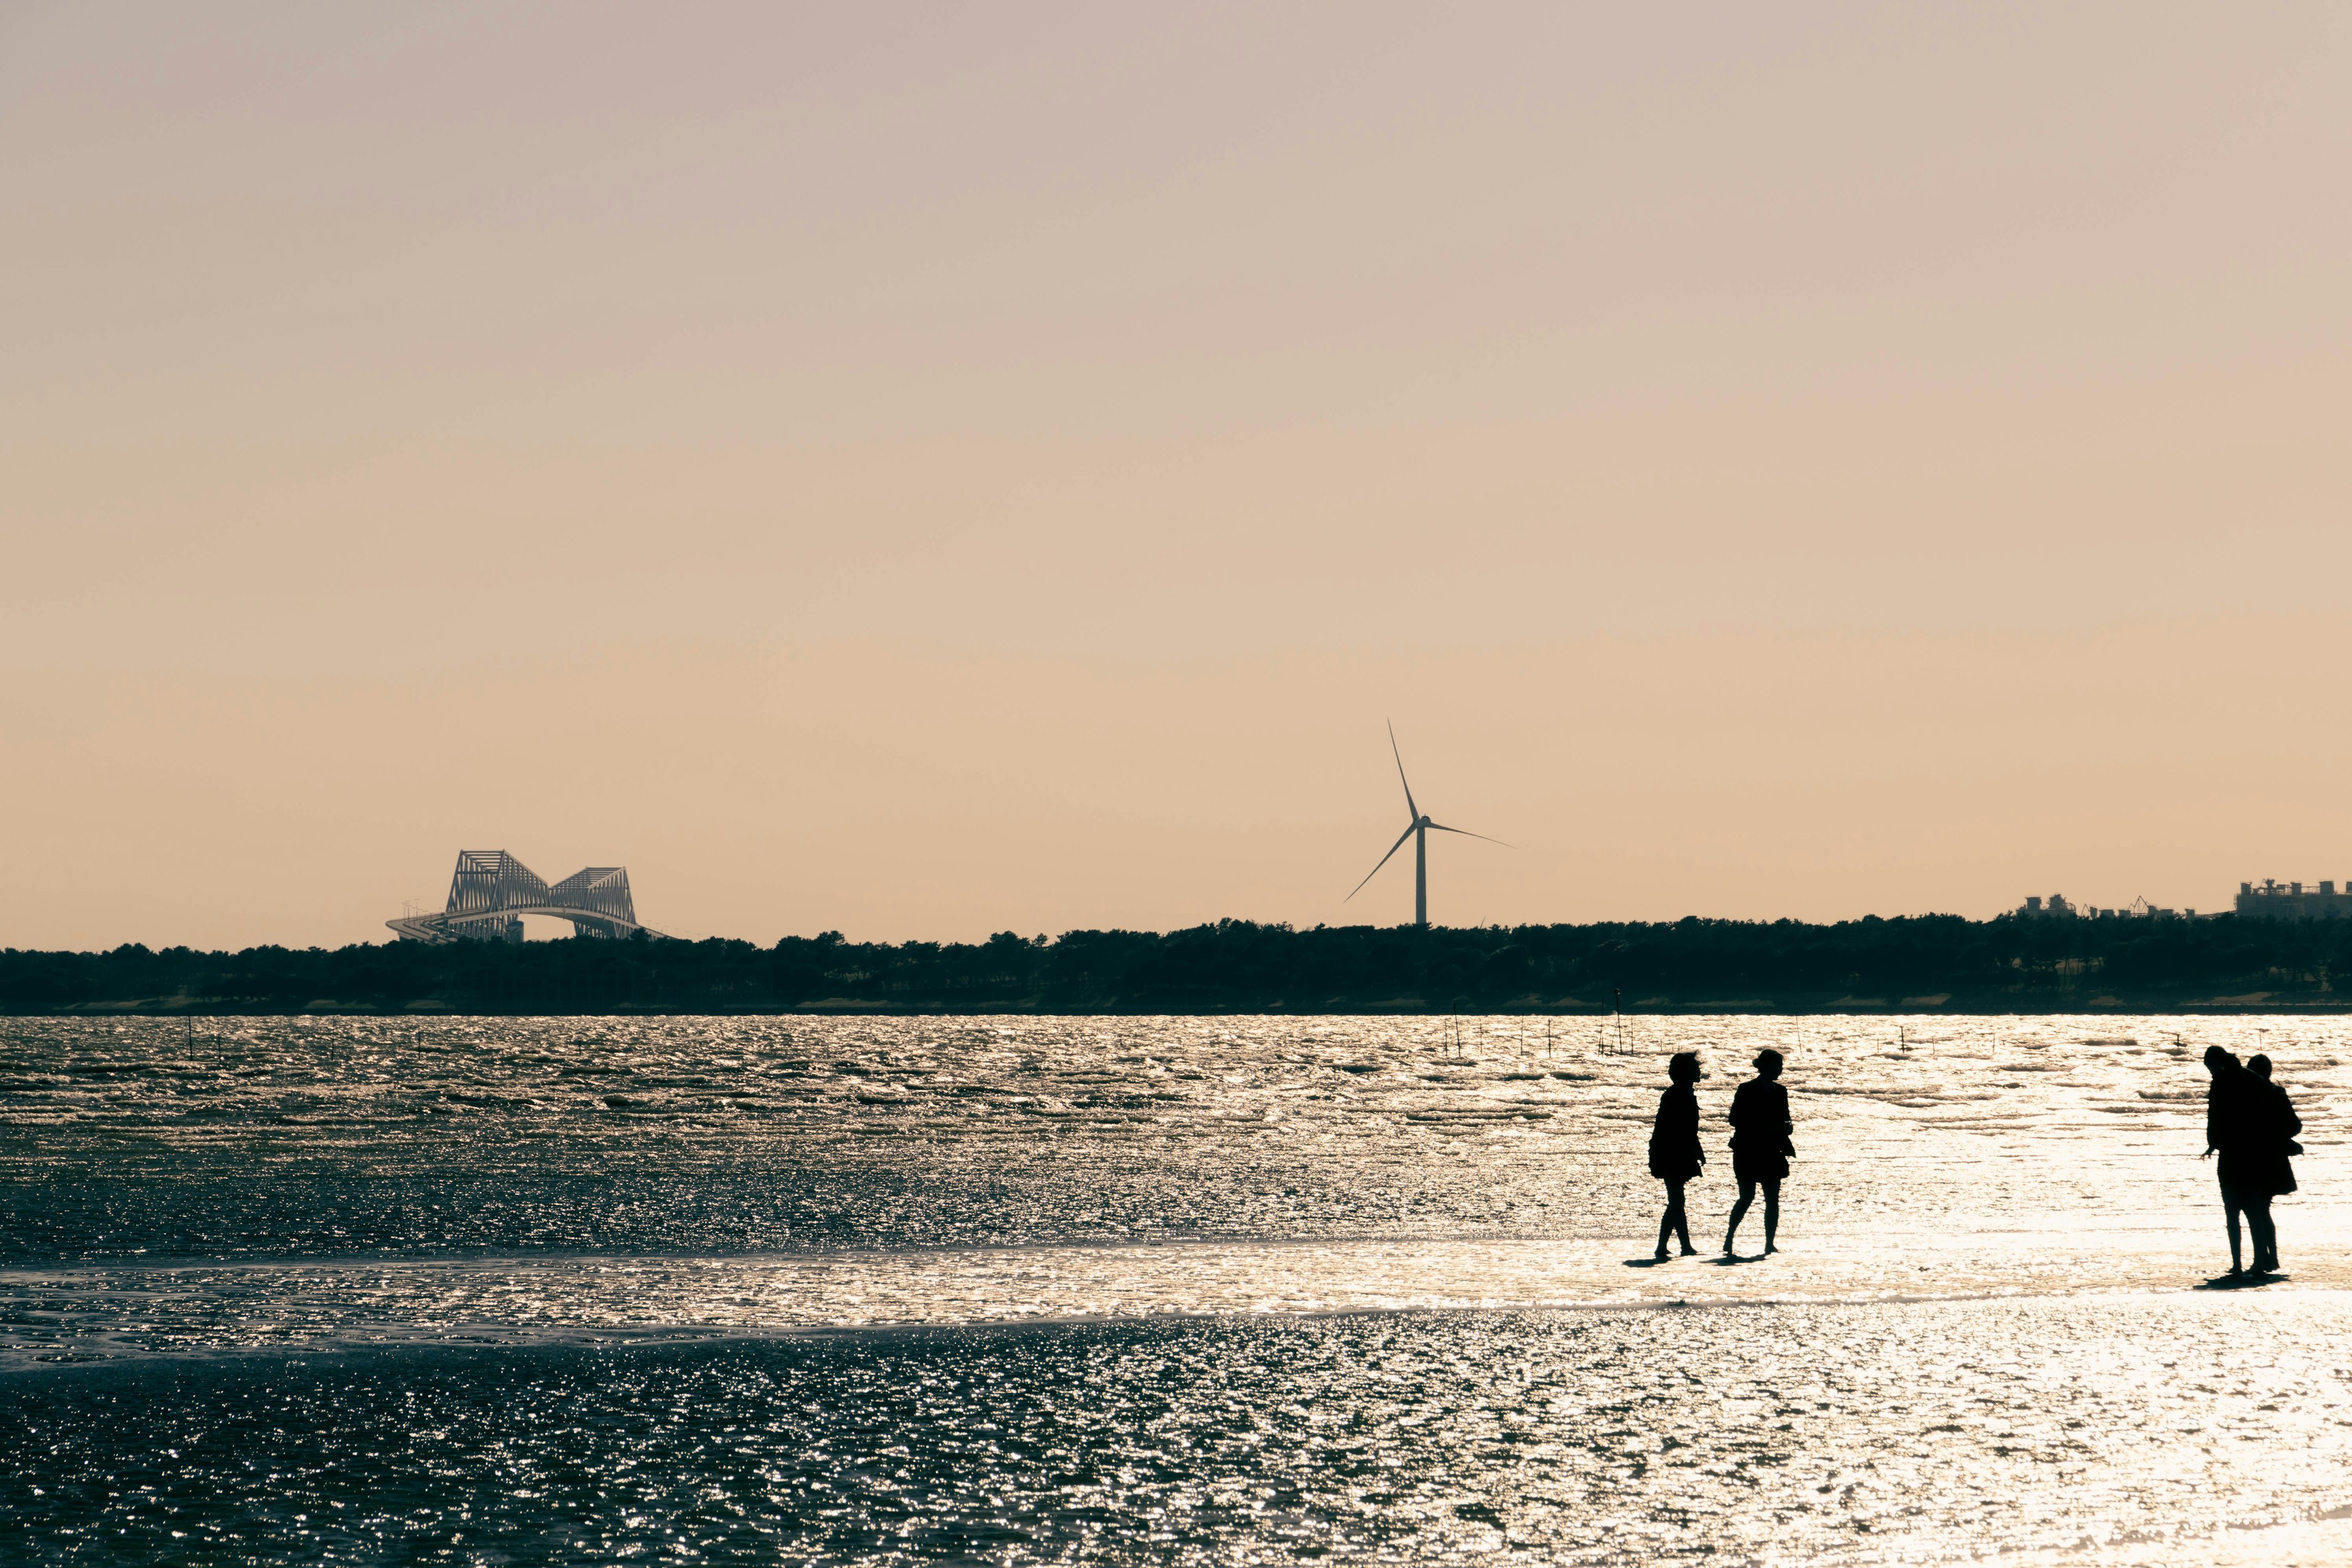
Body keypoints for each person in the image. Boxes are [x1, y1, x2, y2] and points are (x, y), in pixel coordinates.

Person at [2203, 1045, 2273, 1276]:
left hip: (2232, 1154)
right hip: (2254, 1152)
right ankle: (2259, 1262)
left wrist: (2213, 1143)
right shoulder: (2250, 1077)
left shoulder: (2221, 1081)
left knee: (2232, 1212)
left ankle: (2237, 1264)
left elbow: (2215, 1116)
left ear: (2214, 1064)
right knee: (2253, 1210)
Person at [1723, 1048, 1792, 1256]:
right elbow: (1734, 1119)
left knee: (1772, 1200)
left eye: (1780, 1066)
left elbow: (1786, 1119)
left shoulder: (1781, 1091)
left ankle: (1769, 1243)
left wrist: (1787, 1128)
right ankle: (1729, 1238)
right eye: (1776, 1066)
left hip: (1772, 1150)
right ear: (1764, 1067)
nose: (1779, 1070)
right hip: (1748, 1150)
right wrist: (1764, 1127)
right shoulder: (1746, 1089)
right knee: (1746, 1197)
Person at [2245, 1054, 2304, 1273]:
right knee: (2263, 1208)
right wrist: (2279, 1137)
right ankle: (2270, 1258)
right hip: (2275, 1158)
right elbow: (2295, 1126)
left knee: (2258, 1208)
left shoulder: (2250, 1095)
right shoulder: (2278, 1093)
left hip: (2257, 1158)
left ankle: (2264, 1258)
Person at [1648, 1052, 1706, 1259]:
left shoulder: (1682, 1093)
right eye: (1695, 1068)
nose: (1699, 1071)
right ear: (1685, 1073)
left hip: (1675, 1152)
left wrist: (1697, 1150)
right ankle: (1669, 1246)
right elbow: (1673, 1129)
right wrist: (1693, 1150)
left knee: (1677, 1201)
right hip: (1672, 1154)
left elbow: (1688, 1130)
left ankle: (1679, 1246)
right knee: (1677, 1201)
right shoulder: (1677, 1094)